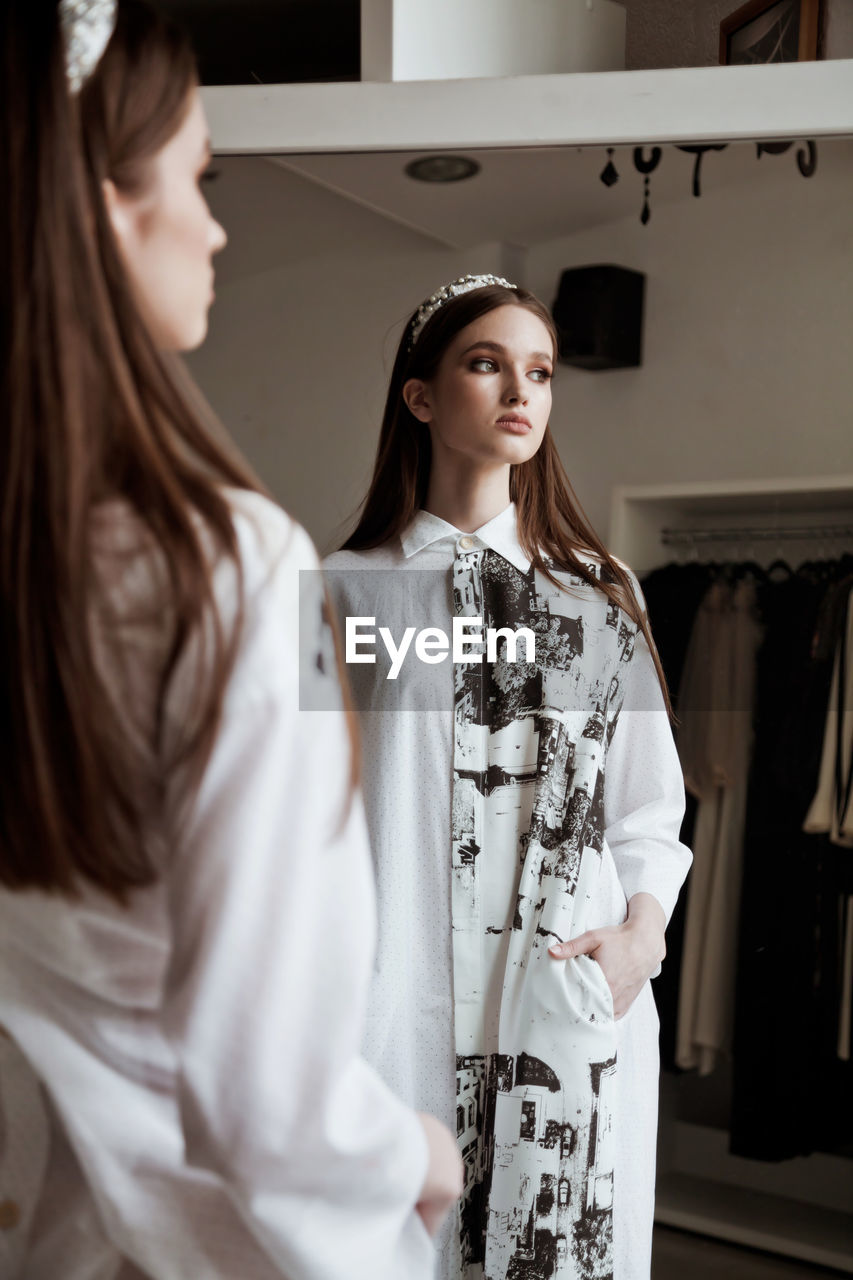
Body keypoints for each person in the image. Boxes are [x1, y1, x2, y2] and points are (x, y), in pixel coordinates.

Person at [0, 3, 461, 1276]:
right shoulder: (226, 565)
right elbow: (266, 1088)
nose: (214, 225)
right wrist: (414, 1150)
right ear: (97, 199)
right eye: (198, 177)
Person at [324, 275, 693, 1280]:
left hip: (570, 1001)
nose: (519, 391)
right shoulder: (339, 593)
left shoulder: (601, 594)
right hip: (393, 1004)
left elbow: (651, 808)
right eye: (485, 363)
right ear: (422, 397)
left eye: (538, 371)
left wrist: (638, 941)